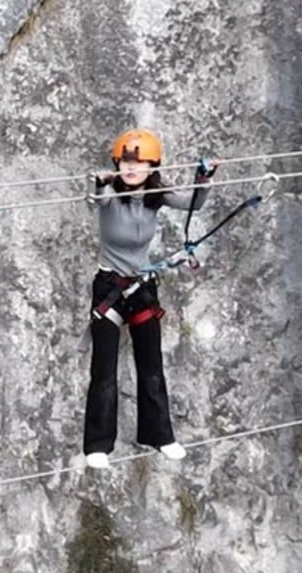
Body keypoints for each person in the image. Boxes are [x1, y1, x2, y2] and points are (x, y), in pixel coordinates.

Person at [83, 128, 217, 469]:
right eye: (126, 161)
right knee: (104, 370)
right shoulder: (110, 192)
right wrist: (99, 182)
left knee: (151, 366)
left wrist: (203, 176)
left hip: (141, 287)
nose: (131, 168)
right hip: (109, 289)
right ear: (117, 164)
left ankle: (161, 436)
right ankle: (98, 444)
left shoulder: (158, 194)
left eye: (139, 162)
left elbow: (194, 203)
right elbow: (98, 200)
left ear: (152, 166)